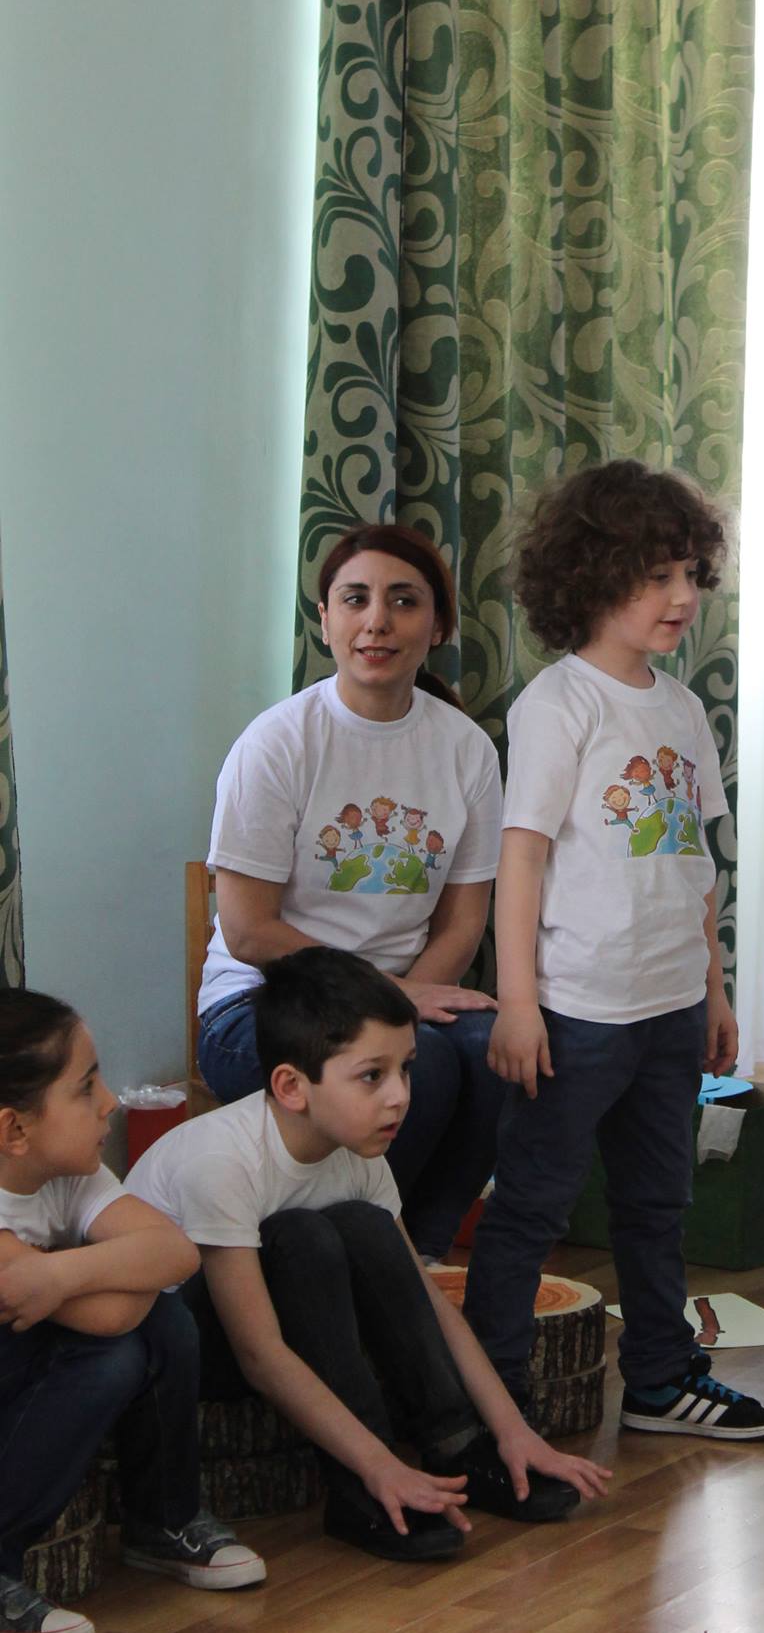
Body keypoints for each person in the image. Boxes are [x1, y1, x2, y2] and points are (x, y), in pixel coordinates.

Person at [462, 460, 764, 1440]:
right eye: (655, 575)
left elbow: (696, 862)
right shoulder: (559, 704)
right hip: (577, 1011)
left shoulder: (681, 708)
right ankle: (491, 1402)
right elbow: (520, 860)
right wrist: (519, 1001)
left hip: (671, 1005)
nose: (682, 596)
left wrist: (715, 988)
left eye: (689, 573)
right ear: (591, 576)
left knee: (657, 1204)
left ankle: (657, 1379)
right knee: (532, 1206)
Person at [127, 949, 611, 1562]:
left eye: (405, 1069)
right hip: (183, 1357)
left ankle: (459, 1445)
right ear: (291, 1087)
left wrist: (513, 1430)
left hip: (273, 1331)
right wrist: (379, 1463)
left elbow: (427, 1302)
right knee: (301, 1236)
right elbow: (259, 1353)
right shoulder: (222, 1163)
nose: (400, 1096)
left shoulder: (358, 1153)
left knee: (364, 1225)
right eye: (371, 1076)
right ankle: (360, 1485)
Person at [196, 522, 504, 1263]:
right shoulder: (278, 742)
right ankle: (362, 1258)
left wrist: (401, 1000)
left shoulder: (465, 748)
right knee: (418, 1071)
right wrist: (390, 996)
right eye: (355, 599)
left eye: (403, 601)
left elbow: (463, 921)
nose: (377, 621)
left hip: (401, 993)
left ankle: (416, 1257)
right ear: (326, 619)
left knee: (497, 1050)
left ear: (437, 626)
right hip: (261, 1005)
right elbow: (248, 931)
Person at [0, 990, 264, 1633]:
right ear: (14, 1131)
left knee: (165, 1322)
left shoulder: (68, 1174)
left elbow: (173, 1252)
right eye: (85, 1088)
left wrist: (56, 1275)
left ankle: (163, 1523)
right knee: (121, 1345)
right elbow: (115, 1309)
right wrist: (111, 1270)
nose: (110, 1102)